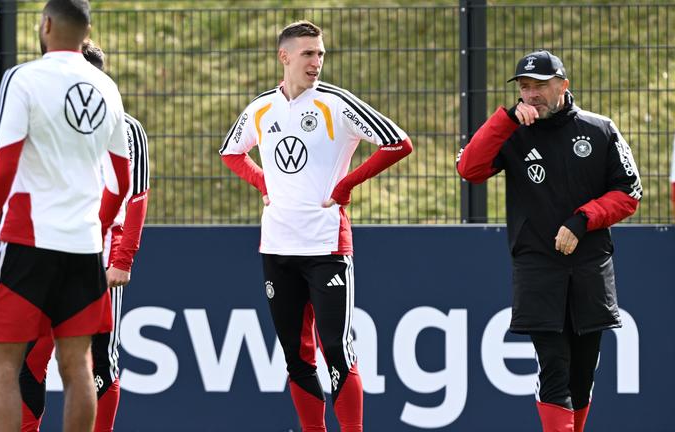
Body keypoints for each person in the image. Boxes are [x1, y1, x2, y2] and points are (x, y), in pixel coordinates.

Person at [220, 20, 412, 432]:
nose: (317, 62)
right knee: (296, 356)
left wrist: (345, 185)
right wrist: (263, 182)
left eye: (321, 53)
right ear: (284, 56)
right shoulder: (261, 108)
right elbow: (231, 152)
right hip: (276, 247)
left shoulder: (336, 104)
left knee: (338, 353)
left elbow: (398, 142)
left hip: (326, 247)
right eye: (308, 53)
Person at [0, 1, 130, 430]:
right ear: (86, 31)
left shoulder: (24, 78)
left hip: (26, 243)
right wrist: (97, 223)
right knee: (78, 365)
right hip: (84, 247)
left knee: (3, 363)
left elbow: (3, 164)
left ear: (47, 25)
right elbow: (121, 181)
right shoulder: (107, 89)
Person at [456, 50, 642, 432]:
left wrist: (582, 220)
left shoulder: (600, 129)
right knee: (554, 368)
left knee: (583, 374)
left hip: (590, 267)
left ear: (563, 85)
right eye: (524, 87)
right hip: (538, 266)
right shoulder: (511, 131)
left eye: (540, 86)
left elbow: (630, 192)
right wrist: (504, 120)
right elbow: (469, 169)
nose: (531, 94)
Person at [18, 40, 150, 432]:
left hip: (98, 258)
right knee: (29, 359)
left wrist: (122, 260)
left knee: (98, 360)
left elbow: (137, 196)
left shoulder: (126, 127)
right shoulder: (43, 120)